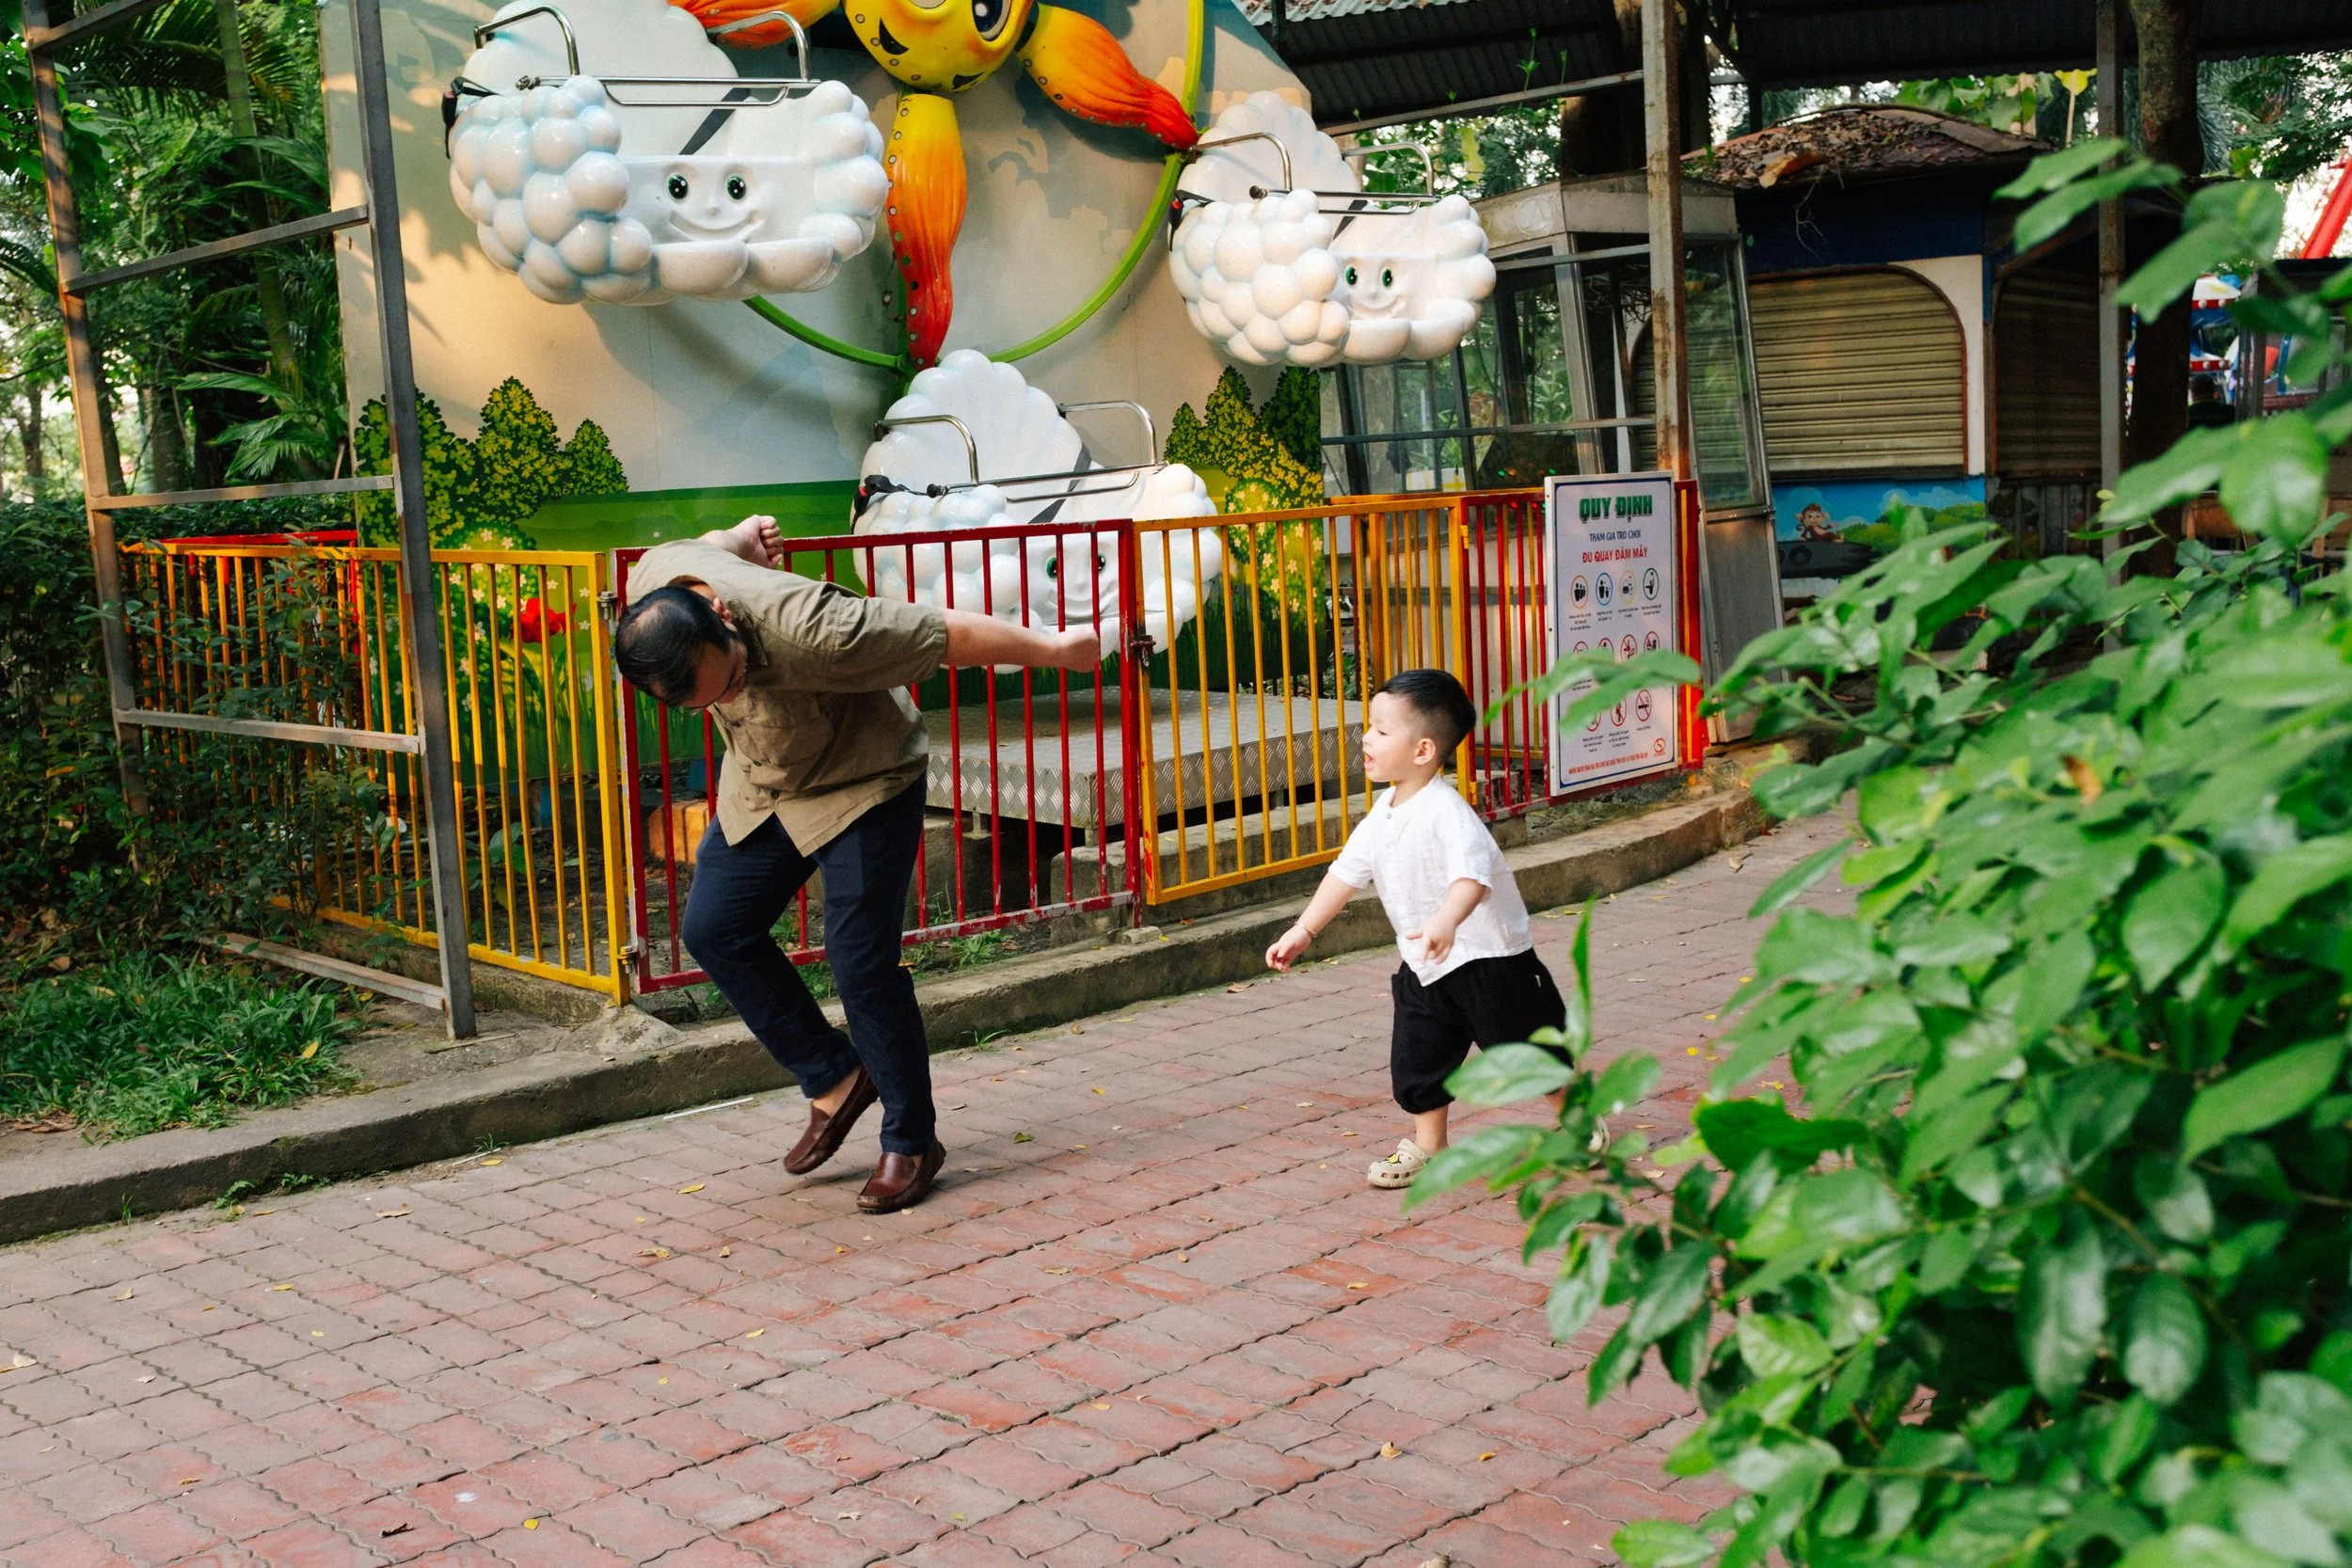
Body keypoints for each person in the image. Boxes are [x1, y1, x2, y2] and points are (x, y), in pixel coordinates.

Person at [618, 515, 1099, 1212]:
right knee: (716, 928)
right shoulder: (655, 585)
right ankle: (836, 1079)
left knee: (858, 956)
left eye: (735, 678)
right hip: (766, 776)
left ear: (723, 617)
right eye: (709, 700)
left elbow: (946, 633)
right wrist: (745, 540)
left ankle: (911, 1137)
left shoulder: (817, 626)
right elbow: (712, 547)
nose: (728, 695)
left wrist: (1057, 649)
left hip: (865, 775)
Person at [1264, 669, 1568, 1189]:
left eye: (1382, 730)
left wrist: (1446, 921)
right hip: (1425, 965)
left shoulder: (1448, 813)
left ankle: (1575, 1114)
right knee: (1418, 1055)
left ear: (1424, 749)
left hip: (1488, 961)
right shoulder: (1383, 813)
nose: (1367, 738)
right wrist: (1304, 931)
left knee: (1523, 1049)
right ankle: (1430, 1144)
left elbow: (1471, 879)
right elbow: (1345, 874)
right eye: (1369, 727)